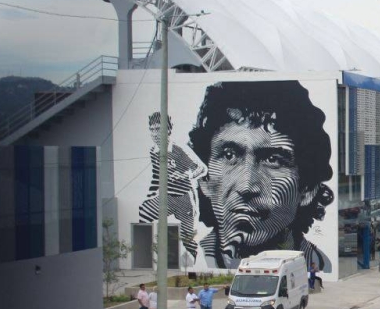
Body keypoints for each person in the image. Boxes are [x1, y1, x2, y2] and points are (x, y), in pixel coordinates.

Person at [188, 81, 335, 271]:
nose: (247, 185)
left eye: (273, 160)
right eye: (229, 155)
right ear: (205, 179)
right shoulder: (190, 260)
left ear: (307, 188)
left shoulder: (321, 265)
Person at [138, 112, 206, 259]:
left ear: (168, 130)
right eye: (153, 129)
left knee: (188, 238)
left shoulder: (177, 149)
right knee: (143, 212)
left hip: (184, 198)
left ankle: (191, 263)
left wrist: (184, 175)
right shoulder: (154, 151)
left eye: (159, 129)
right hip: (167, 197)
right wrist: (151, 196)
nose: (155, 133)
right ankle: (145, 255)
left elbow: (201, 168)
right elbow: (156, 177)